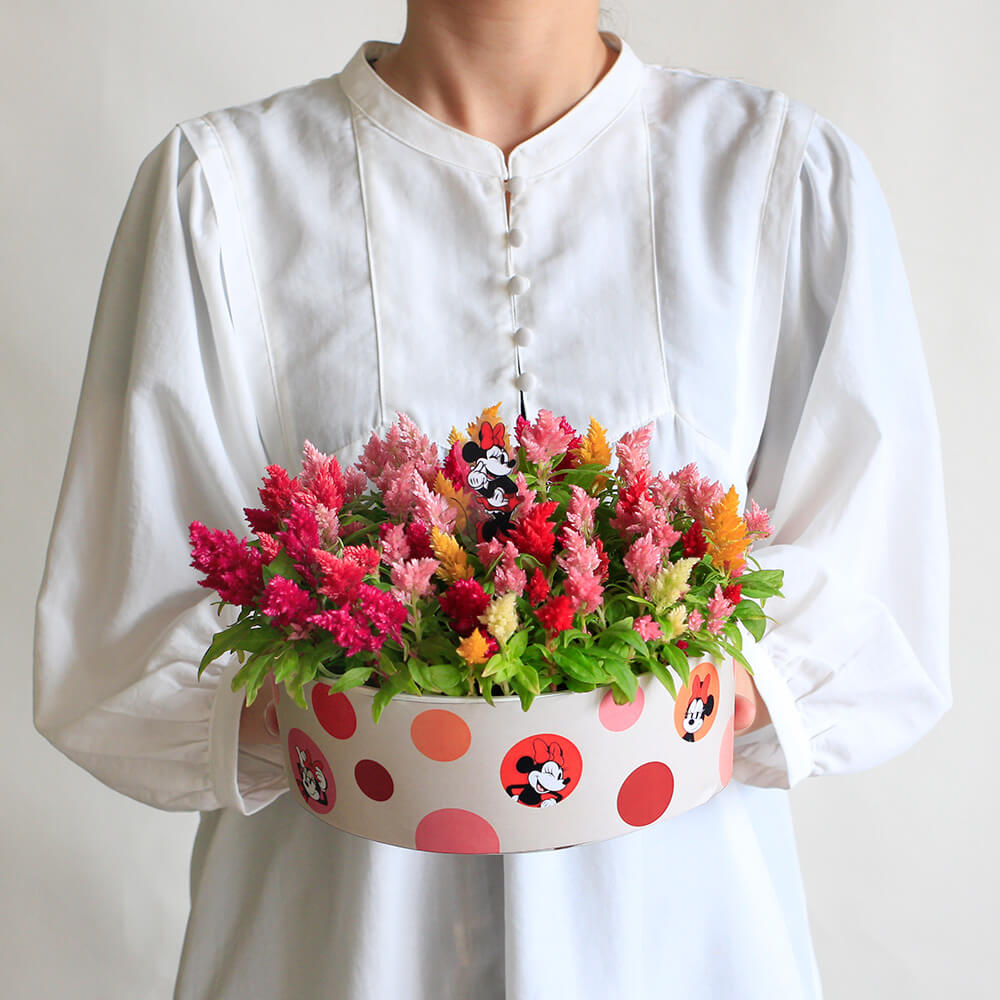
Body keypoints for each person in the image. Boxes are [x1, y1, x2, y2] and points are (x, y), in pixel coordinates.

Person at [32, 2, 952, 997]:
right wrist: (365, 704)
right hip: (343, 951)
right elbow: (122, 633)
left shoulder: (772, 173)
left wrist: (658, 693)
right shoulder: (225, 188)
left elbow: (876, 587)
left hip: (678, 948)